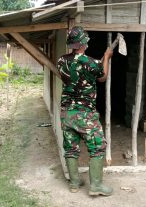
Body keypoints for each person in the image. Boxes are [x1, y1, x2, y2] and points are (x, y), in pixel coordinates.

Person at [57, 26, 113, 196]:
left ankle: (74, 182)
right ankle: (96, 186)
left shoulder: (61, 60)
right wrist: (107, 58)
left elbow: (75, 75)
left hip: (66, 113)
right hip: (85, 114)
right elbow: (102, 76)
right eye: (86, 42)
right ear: (82, 44)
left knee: (71, 147)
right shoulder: (90, 62)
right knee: (98, 146)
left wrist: (100, 60)